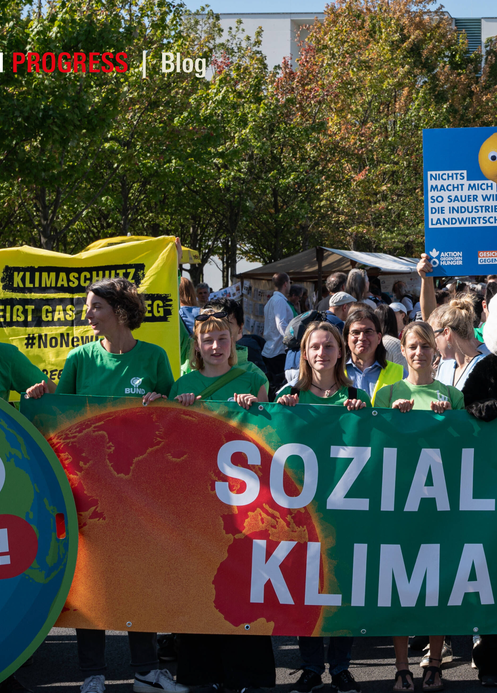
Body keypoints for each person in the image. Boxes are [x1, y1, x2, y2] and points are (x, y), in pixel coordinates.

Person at [55, 278, 182, 693]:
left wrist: (163, 404)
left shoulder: (155, 358)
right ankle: (93, 674)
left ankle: (147, 670)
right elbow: (60, 423)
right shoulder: (78, 359)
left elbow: (173, 424)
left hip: (140, 494)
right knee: (90, 583)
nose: (86, 315)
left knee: (137, 579)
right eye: (86, 308)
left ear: (121, 312)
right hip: (87, 494)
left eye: (94, 307)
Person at [168, 314, 274, 693]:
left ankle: (249, 675)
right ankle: (202, 673)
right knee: (201, 582)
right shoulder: (183, 384)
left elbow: (271, 436)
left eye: (222, 339)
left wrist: (256, 408)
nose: (216, 346)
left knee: (244, 583)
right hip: (198, 501)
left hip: (245, 501)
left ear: (235, 340)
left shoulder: (254, 380)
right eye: (208, 340)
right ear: (197, 344)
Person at [275, 321, 365, 693]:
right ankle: (311, 667)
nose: (322, 353)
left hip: (345, 510)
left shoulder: (356, 394)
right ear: (304, 353)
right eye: (315, 347)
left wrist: (362, 413)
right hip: (301, 511)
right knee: (304, 588)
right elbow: (271, 437)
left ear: (340, 352)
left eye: (329, 346)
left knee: (341, 587)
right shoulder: (289, 394)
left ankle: (340, 666)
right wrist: (279, 410)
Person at [372, 322, 458, 692]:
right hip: (398, 503)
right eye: (413, 347)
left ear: (435, 352)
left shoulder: (453, 396)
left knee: (437, 585)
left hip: (440, 503)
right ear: (402, 352)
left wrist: (450, 421)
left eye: (425, 346)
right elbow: (372, 445)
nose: (420, 353)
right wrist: (392, 418)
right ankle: (402, 666)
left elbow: (467, 449)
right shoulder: (387, 392)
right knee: (399, 586)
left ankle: (435, 663)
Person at [342, 307, 404, 398]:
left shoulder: (400, 373)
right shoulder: (334, 372)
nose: (362, 338)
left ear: (379, 338)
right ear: (347, 338)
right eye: (355, 332)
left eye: (368, 332)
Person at [432, 296, 488, 390]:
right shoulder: (445, 364)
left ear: (447, 333)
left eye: (434, 336)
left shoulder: (486, 367)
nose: (433, 344)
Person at [262, 271, 294, 393]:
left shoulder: (271, 301)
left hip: (271, 348)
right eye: (289, 282)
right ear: (286, 284)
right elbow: (281, 324)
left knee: (274, 383)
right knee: (279, 385)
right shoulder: (279, 301)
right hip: (277, 350)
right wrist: (291, 340)